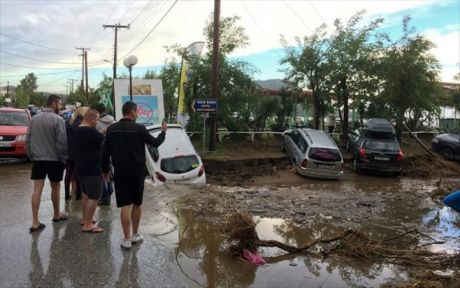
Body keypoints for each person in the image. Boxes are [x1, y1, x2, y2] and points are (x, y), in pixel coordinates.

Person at [102, 101, 167, 250]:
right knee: (137, 204)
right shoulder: (139, 129)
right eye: (137, 112)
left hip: (120, 171)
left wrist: (104, 170)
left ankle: (126, 239)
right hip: (137, 172)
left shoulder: (112, 129)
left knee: (125, 204)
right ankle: (136, 234)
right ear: (132, 112)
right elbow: (155, 143)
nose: (138, 114)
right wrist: (163, 131)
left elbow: (105, 152)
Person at [26, 94, 68, 233]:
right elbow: (61, 143)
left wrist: (31, 156)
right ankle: (57, 214)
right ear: (54, 104)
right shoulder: (58, 119)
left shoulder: (34, 119)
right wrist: (64, 159)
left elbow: (28, 139)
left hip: (38, 159)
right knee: (55, 187)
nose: (61, 107)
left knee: (37, 189)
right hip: (54, 159)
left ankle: (34, 221)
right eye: (60, 104)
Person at [75, 109, 105, 233]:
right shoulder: (90, 131)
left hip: (81, 168)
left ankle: (85, 219)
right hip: (92, 168)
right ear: (92, 119)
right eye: (97, 119)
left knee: (86, 194)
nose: (97, 122)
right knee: (95, 196)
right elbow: (100, 139)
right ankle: (88, 224)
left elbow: (97, 136)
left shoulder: (77, 130)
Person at [64, 106, 89, 200]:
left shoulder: (68, 122)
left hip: (69, 151)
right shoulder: (83, 123)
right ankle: (78, 195)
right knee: (78, 174)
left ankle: (67, 194)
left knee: (68, 173)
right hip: (79, 152)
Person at [94, 103, 115, 206]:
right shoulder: (113, 120)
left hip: (100, 152)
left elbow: (94, 137)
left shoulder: (96, 123)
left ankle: (105, 195)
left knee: (101, 174)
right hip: (112, 151)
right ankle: (109, 191)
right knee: (110, 171)